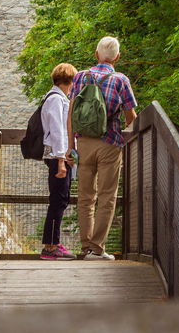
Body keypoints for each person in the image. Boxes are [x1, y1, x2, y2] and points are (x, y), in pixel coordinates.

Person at [69, 36, 137, 260]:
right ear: (117, 57)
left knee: (85, 198)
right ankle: (97, 249)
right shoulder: (120, 80)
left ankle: (84, 246)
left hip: (84, 143)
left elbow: (70, 114)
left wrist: (71, 146)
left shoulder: (80, 77)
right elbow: (131, 118)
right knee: (107, 197)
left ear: (96, 55)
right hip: (110, 143)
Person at [39, 62, 78, 260]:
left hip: (59, 157)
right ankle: (50, 247)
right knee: (57, 201)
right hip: (57, 158)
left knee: (60, 200)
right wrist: (62, 160)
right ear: (69, 80)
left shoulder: (57, 98)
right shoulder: (55, 99)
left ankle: (53, 243)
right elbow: (57, 131)